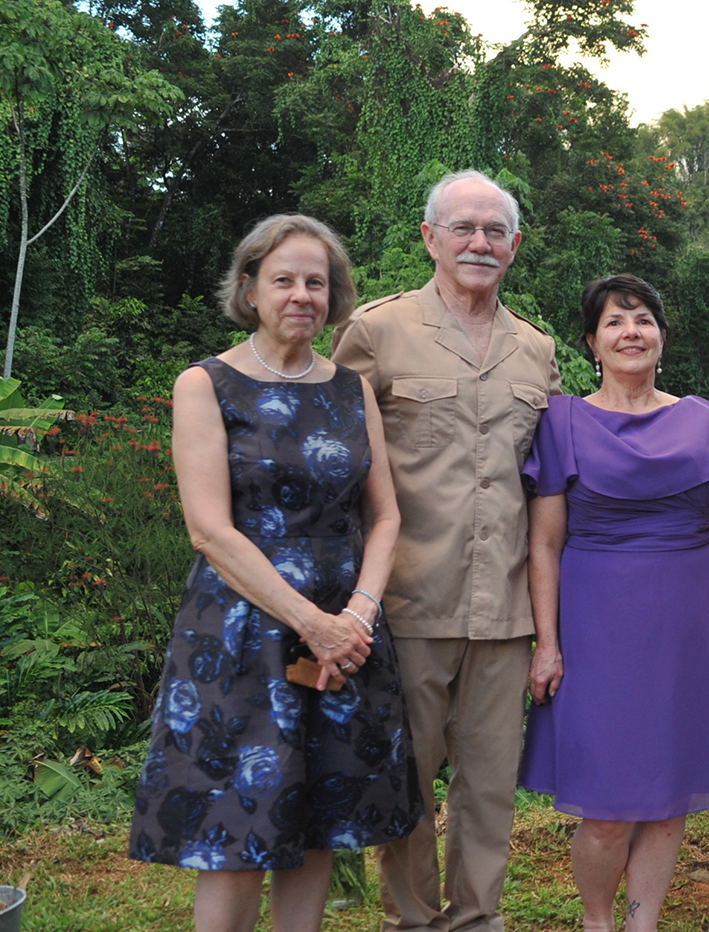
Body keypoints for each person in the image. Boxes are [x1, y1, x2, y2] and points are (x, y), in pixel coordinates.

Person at [129, 214, 423, 932]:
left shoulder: (351, 389)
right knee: (234, 828)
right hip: (242, 635)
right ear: (250, 289)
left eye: (316, 282)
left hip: (344, 633)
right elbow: (210, 531)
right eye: (284, 279)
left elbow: (384, 517)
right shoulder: (206, 384)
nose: (301, 294)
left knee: (321, 820)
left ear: (334, 296)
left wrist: (355, 615)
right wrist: (312, 623)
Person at [332, 170, 562, 932]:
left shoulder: (537, 349)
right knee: (408, 782)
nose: (479, 242)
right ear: (430, 237)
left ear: (515, 246)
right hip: (405, 603)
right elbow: (338, 468)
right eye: (463, 227)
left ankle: (476, 921)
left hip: (504, 610)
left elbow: (550, 485)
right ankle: (411, 921)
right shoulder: (377, 332)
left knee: (490, 790)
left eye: (495, 231)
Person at [517, 274, 709, 932]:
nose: (631, 332)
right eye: (616, 322)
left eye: (643, 320)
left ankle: (642, 924)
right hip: (598, 624)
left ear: (661, 338)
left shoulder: (701, 419)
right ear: (591, 342)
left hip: (691, 622)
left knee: (671, 792)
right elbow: (544, 543)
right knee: (609, 808)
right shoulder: (562, 420)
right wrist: (548, 642)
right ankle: (599, 921)